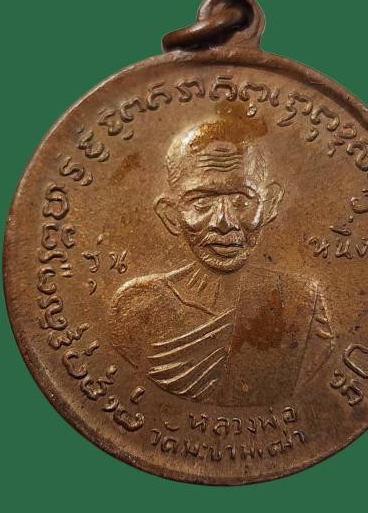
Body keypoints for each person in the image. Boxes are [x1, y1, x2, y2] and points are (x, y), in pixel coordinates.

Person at [109, 119, 335, 405]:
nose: (224, 222)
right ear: (170, 214)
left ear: (270, 205)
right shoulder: (137, 308)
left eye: (241, 201)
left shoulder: (302, 302)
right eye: (201, 203)